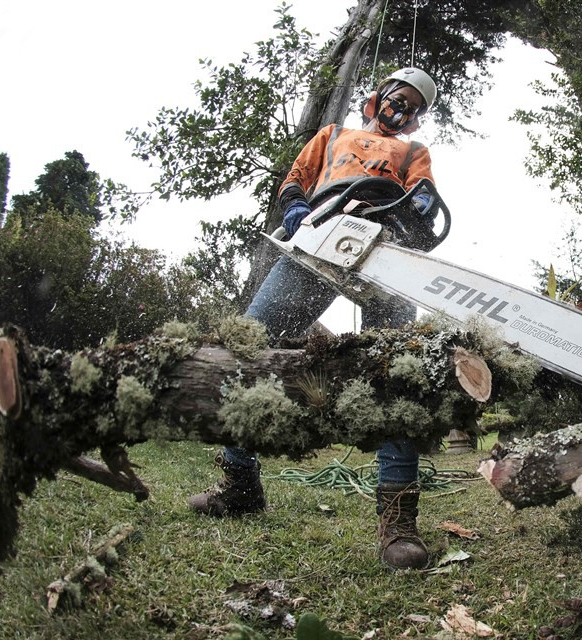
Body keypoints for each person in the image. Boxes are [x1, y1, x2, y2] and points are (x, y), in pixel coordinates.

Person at [188, 67, 440, 570]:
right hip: (318, 240)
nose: (402, 109)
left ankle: (397, 521)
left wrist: (417, 207)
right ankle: (239, 482)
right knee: (251, 345)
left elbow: (426, 200)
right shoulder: (334, 135)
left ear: (416, 121)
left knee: (396, 371)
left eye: (413, 107)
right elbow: (294, 181)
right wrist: (296, 211)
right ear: (380, 95)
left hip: (384, 247)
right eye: (399, 98)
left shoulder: (414, 153)